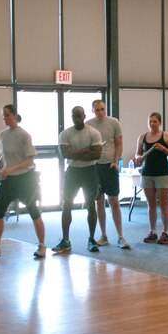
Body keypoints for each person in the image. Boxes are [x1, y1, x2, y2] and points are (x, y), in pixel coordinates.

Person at [0, 104, 46, 259]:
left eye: (7, 115)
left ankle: (42, 246)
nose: (4, 118)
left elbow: (30, 160)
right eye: (3, 115)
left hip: (25, 178)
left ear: (15, 115)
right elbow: (4, 157)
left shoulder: (24, 135)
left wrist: (12, 169)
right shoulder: (2, 135)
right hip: (8, 179)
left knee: (33, 211)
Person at [52, 106, 102, 254]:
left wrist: (75, 154)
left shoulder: (93, 133)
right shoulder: (65, 134)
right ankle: (65, 241)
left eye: (79, 116)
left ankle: (92, 239)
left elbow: (96, 155)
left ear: (84, 116)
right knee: (67, 204)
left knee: (90, 205)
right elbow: (65, 155)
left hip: (90, 171)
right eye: (74, 116)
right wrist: (86, 150)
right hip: (73, 172)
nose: (76, 119)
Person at [87, 99, 130, 249]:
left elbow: (119, 144)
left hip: (110, 166)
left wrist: (116, 161)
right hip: (95, 167)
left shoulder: (114, 123)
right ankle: (103, 235)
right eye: (97, 110)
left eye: (102, 109)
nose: (100, 112)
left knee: (114, 201)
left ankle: (120, 236)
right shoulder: (89, 125)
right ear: (92, 111)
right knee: (99, 201)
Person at [135, 112, 168, 244]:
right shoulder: (142, 137)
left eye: (155, 121)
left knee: (164, 203)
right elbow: (138, 153)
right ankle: (152, 231)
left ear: (160, 122)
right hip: (147, 173)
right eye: (150, 121)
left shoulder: (167, 136)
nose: (152, 124)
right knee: (150, 204)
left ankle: (165, 232)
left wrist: (164, 149)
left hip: (163, 173)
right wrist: (138, 158)